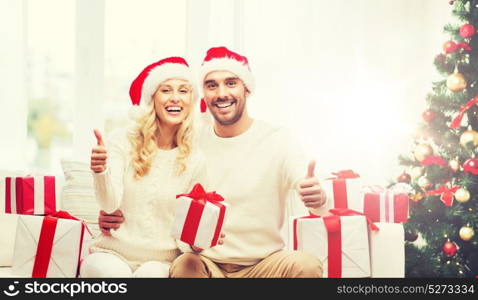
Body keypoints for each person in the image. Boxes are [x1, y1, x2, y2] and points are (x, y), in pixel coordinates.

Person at [100, 47, 326, 278]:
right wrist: (115, 212)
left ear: (246, 89)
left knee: (306, 265)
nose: (221, 93)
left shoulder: (278, 140)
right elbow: (150, 180)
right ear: (203, 95)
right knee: (185, 265)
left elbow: (314, 196)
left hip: (264, 264)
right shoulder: (190, 141)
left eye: (231, 83)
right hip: (205, 262)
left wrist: (318, 198)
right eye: (211, 85)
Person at [80, 57, 211, 278]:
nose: (175, 98)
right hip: (112, 252)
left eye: (184, 91)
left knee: (150, 276)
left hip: (161, 261)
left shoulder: (196, 159)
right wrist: (101, 171)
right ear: (152, 98)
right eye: (166, 90)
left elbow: (189, 225)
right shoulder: (122, 141)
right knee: (109, 273)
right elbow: (109, 204)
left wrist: (198, 242)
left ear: (192, 100)